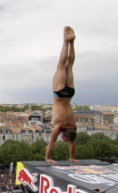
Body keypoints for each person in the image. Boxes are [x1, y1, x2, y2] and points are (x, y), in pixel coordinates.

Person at [46, 26, 80, 164]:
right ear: (65, 136)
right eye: (65, 139)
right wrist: (47, 158)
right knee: (61, 65)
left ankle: (72, 42)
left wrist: (72, 157)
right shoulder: (59, 126)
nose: (65, 140)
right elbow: (52, 143)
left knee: (69, 65)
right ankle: (66, 41)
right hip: (59, 95)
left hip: (69, 94)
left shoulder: (73, 125)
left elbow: (73, 143)